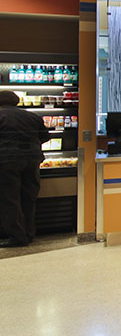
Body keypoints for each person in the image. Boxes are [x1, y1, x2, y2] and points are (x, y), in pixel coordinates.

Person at [0, 90, 49, 248]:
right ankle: (29, 233)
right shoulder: (32, 116)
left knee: (10, 199)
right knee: (29, 197)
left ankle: (17, 236)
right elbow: (45, 137)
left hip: (7, 160)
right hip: (33, 159)